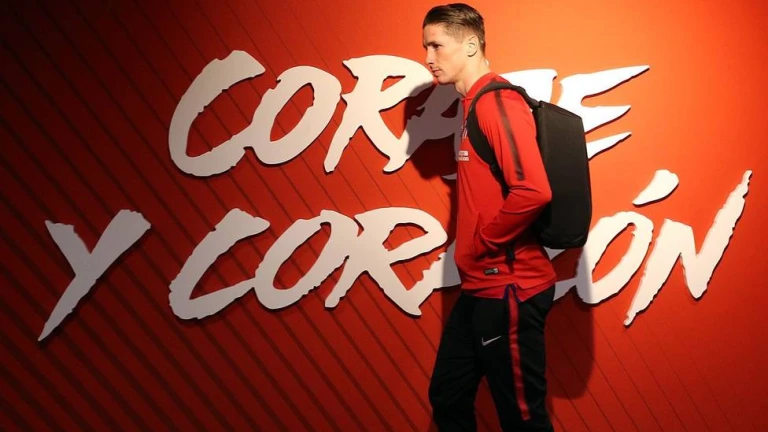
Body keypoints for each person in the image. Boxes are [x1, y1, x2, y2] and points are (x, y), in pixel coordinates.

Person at [422, 4, 557, 431]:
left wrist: (483, 242)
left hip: (509, 288)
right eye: (425, 47)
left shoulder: (497, 103)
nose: (428, 58)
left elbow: (533, 190)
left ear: (470, 45)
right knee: (449, 395)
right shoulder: (471, 104)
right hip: (481, 286)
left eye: (436, 46)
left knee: (522, 418)